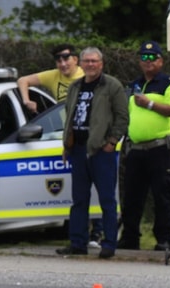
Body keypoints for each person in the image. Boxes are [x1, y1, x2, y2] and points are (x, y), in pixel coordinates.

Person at [17, 43, 104, 247]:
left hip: (90, 139)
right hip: (69, 140)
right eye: (59, 60)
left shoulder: (86, 76)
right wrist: (26, 100)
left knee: (97, 187)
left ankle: (98, 232)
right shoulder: (53, 76)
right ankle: (76, 234)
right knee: (77, 190)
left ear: (76, 59)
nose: (63, 63)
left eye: (66, 58)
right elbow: (23, 80)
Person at [55, 47, 129, 259]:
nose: (90, 65)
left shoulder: (112, 86)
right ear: (82, 64)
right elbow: (69, 115)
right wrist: (67, 146)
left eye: (94, 61)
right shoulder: (76, 86)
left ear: (101, 63)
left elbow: (122, 117)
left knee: (106, 199)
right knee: (79, 199)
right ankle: (77, 242)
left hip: (101, 150)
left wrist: (112, 141)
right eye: (86, 61)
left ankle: (109, 244)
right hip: (77, 149)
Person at [118, 41, 170, 251]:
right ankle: (130, 237)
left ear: (161, 61)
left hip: (159, 148)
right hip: (136, 149)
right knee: (132, 196)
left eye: (152, 57)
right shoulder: (134, 84)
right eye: (144, 58)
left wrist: (150, 104)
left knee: (161, 195)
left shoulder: (169, 84)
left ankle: (164, 239)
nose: (148, 62)